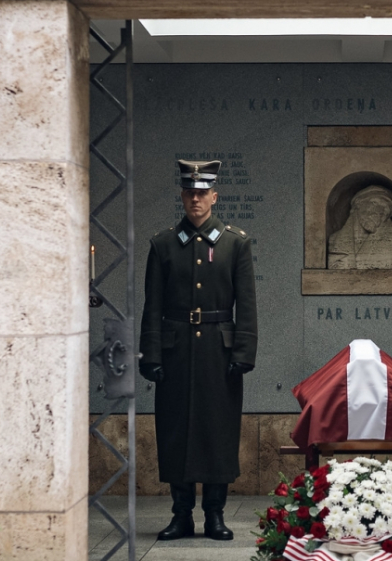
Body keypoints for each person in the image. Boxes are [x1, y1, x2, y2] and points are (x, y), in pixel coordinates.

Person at [138, 159, 257, 541]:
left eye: (202, 193)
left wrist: (243, 352)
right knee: (177, 432)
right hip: (176, 352)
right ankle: (181, 516)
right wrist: (151, 354)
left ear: (214, 197)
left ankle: (215, 515)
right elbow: (153, 305)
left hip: (219, 356)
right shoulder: (163, 244)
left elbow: (246, 304)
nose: (196, 199)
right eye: (190, 192)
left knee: (217, 432)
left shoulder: (236, 243)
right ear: (182, 196)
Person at [326, 184, 392, 269]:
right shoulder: (334, 239)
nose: (380, 211)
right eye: (374, 203)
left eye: (386, 209)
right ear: (358, 203)